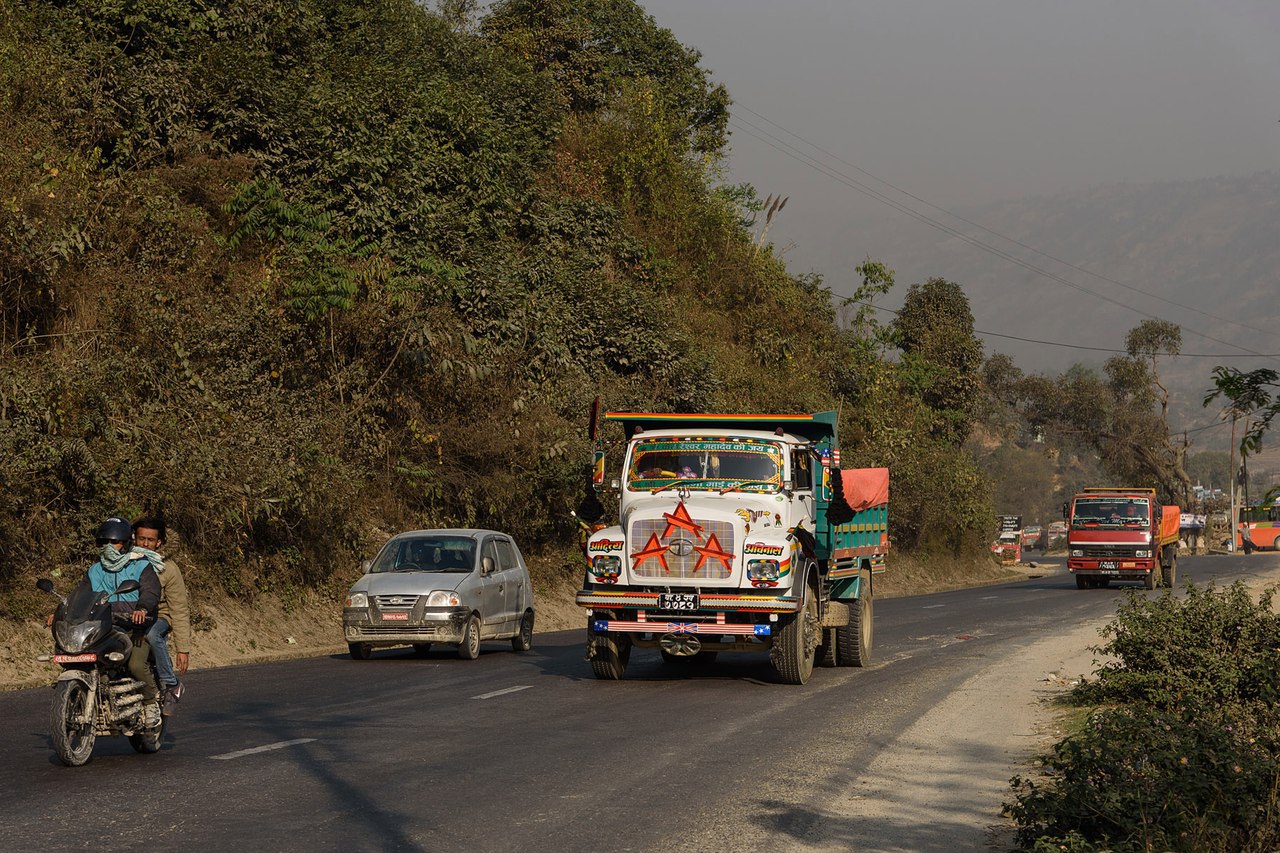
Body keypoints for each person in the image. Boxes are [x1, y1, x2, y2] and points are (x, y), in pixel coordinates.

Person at [72, 516, 162, 724]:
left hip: (135, 628)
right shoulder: (95, 570)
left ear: (126, 543)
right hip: (105, 628)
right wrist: (64, 610)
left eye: (115, 541)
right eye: (104, 541)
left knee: (136, 665)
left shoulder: (140, 565)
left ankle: (151, 703)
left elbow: (151, 592)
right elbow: (80, 595)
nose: (109, 546)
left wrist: (142, 608)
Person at [133, 516, 190, 716]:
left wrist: (183, 648)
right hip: (130, 615)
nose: (145, 544)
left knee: (152, 634)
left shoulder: (169, 569)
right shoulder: (124, 562)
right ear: (134, 538)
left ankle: (171, 684)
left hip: (159, 616)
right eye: (141, 539)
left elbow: (179, 609)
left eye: (150, 540)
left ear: (159, 542)